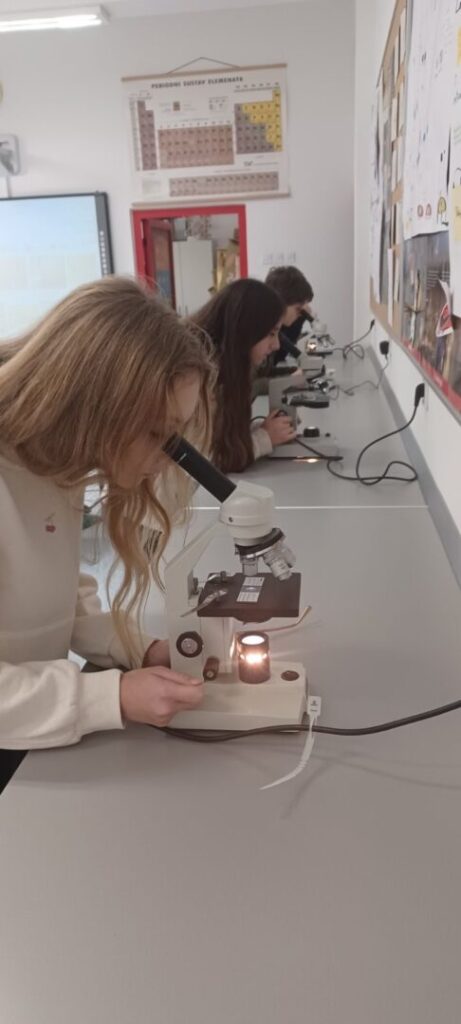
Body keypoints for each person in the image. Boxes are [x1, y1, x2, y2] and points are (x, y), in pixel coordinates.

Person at [0, 276, 215, 750]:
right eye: (157, 433)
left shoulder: (53, 457)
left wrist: (141, 649)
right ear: (93, 407)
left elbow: (56, 594)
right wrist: (109, 697)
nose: (167, 459)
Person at [191, 278, 296, 473]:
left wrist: (258, 430)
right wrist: (265, 438)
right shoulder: (198, 378)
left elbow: (219, 435)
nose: (276, 345)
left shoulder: (228, 365)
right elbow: (209, 461)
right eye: (271, 334)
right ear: (246, 330)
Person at [265, 265, 314, 357]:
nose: (299, 313)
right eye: (298, 309)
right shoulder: (261, 330)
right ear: (281, 302)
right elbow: (279, 356)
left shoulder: (276, 326)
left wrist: (301, 318)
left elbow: (281, 355)